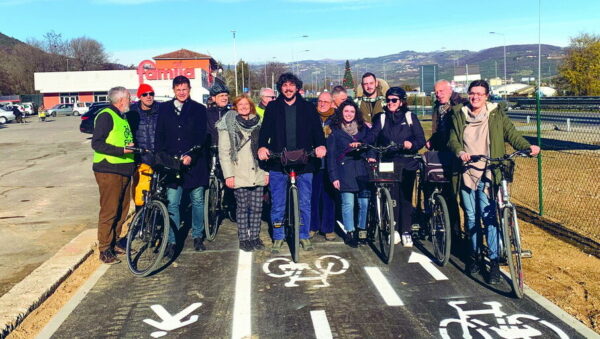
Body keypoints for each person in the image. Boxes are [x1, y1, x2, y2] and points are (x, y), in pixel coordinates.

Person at [447, 79, 540, 285]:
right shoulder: (458, 114)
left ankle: (494, 263)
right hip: (466, 171)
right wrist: (460, 152)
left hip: (489, 172)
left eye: (480, 94)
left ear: (487, 96)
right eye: (472, 93)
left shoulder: (496, 114)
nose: (476, 97)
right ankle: (474, 256)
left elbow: (512, 134)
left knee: (489, 218)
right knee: (471, 218)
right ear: (468, 94)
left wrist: (527, 147)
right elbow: (453, 139)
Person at [258, 72, 327, 253]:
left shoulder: (308, 107)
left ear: (297, 87)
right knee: (278, 203)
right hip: (278, 160)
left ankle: (303, 235)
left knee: (304, 202)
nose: (288, 89)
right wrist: (262, 147)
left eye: (291, 85)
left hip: (304, 160)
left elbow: (317, 132)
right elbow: (265, 132)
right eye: (284, 85)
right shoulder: (273, 107)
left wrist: (320, 146)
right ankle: (278, 236)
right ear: (280, 88)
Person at [155, 75, 208, 257]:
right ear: (173, 91)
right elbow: (159, 136)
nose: (182, 92)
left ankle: (198, 235)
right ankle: (172, 241)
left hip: (194, 164)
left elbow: (202, 136)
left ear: (189, 89)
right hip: (172, 165)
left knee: (198, 201)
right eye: (178, 90)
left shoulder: (199, 109)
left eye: (184, 89)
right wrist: (162, 159)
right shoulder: (163, 109)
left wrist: (192, 155)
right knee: (173, 204)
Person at [367, 87, 426, 247]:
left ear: (401, 102)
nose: (390, 103)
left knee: (405, 198)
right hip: (388, 162)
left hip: (407, 162)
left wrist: (411, 144)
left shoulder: (409, 117)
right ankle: (394, 229)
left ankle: (406, 230)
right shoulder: (382, 118)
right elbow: (373, 138)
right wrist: (371, 154)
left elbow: (421, 139)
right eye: (388, 100)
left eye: (394, 100)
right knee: (392, 198)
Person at [217, 95, 268, 252]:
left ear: (251, 106)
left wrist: (266, 172)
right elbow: (224, 153)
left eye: (246, 104)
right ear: (235, 107)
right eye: (240, 104)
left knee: (257, 207)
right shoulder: (228, 124)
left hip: (258, 169)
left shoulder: (260, 122)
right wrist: (228, 175)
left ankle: (254, 236)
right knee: (242, 207)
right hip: (238, 172)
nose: (244, 107)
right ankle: (244, 239)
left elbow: (266, 148)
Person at [91, 86, 135, 264]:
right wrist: (121, 150)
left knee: (122, 210)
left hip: (124, 169)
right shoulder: (106, 115)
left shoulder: (121, 116)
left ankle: (115, 241)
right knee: (109, 210)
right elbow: (97, 143)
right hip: (109, 170)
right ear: (121, 100)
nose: (131, 101)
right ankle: (104, 248)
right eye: (129, 98)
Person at [425, 79, 468, 253]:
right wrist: (432, 141)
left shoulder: (460, 104)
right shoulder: (438, 107)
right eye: (436, 92)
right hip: (442, 154)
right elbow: (438, 131)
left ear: (450, 90)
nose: (439, 94)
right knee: (447, 196)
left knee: (462, 198)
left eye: (442, 91)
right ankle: (453, 234)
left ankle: (463, 237)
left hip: (459, 154)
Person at [326, 100, 370, 247]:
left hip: (363, 171)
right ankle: (350, 232)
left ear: (356, 113)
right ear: (341, 113)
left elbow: (371, 146)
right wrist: (334, 177)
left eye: (352, 111)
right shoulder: (335, 131)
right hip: (344, 171)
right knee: (348, 203)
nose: (349, 114)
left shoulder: (364, 129)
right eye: (346, 111)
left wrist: (371, 156)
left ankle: (362, 230)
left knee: (364, 203)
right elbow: (331, 156)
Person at [127, 83, 160, 210]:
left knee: (158, 193)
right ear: (140, 96)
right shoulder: (132, 112)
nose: (148, 97)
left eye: (151, 94)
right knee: (141, 193)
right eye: (145, 94)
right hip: (140, 158)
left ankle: (159, 220)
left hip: (158, 157)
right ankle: (140, 220)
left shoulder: (161, 110)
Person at [310, 92, 337, 241]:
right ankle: (313, 226)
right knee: (313, 196)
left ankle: (328, 228)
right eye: (320, 101)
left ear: (332, 103)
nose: (322, 104)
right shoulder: (311, 116)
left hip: (330, 164)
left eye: (326, 101)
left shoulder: (336, 119)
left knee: (328, 197)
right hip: (314, 163)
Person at [206, 82, 231, 147]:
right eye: (221, 96)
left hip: (228, 151)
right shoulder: (206, 113)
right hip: (210, 151)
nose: (225, 98)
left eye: (226, 95)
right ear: (213, 98)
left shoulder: (232, 113)